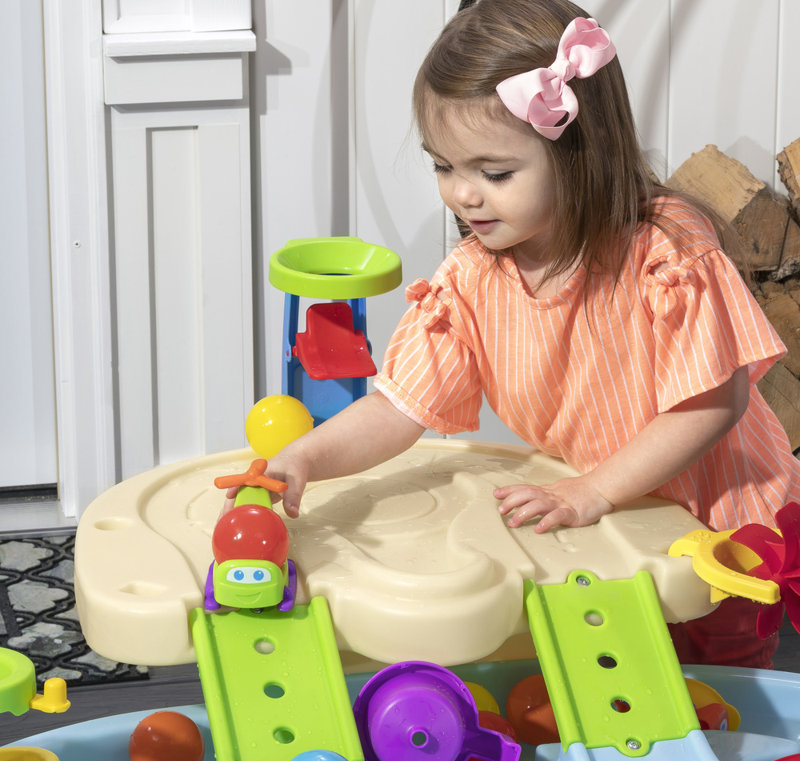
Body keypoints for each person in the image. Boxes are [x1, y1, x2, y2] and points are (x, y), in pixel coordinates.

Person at [242, 0, 800, 668]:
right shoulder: (472, 282)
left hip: (722, 518)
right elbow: (397, 407)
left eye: (494, 173)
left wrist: (593, 490)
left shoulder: (666, 251)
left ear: (578, 152)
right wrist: (306, 458)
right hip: (618, 520)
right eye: (443, 167)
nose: (462, 195)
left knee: (714, 679)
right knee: (621, 676)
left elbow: (712, 404)